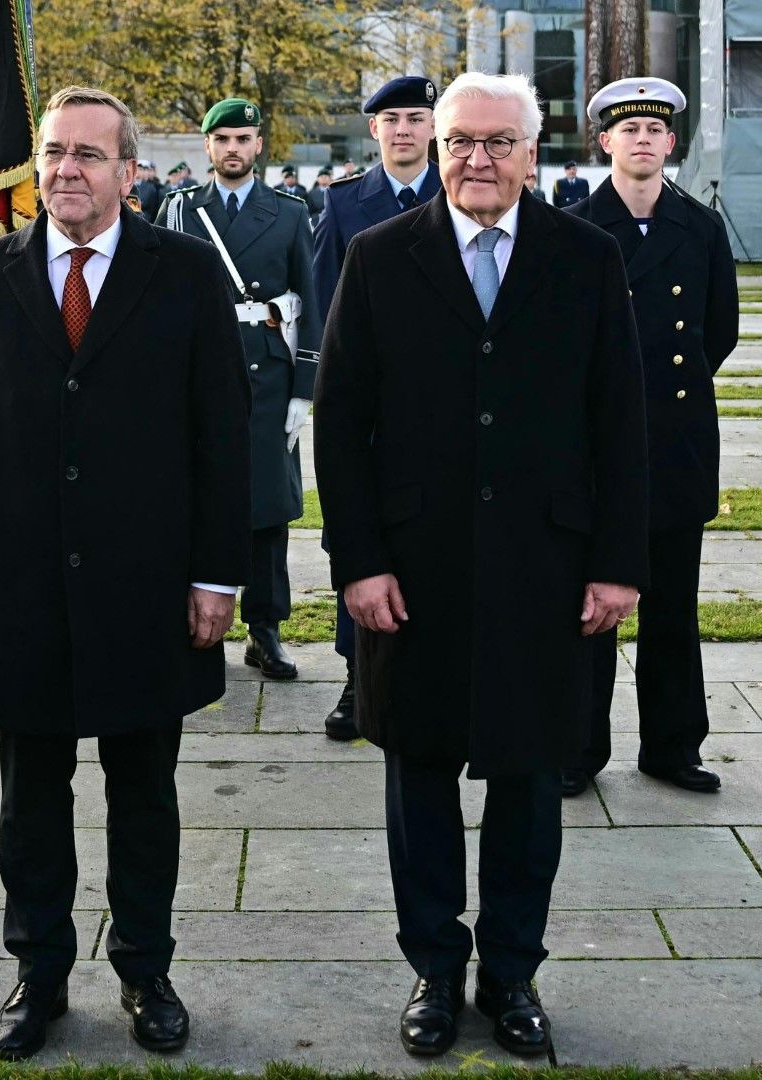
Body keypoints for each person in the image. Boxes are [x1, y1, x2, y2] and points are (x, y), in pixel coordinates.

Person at [314, 71, 646, 1059]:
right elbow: (341, 424)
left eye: (499, 143)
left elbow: (621, 421)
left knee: (527, 780)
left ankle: (511, 973)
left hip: (545, 571)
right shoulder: (380, 258)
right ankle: (432, 971)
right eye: (461, 141)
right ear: (437, 147)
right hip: (412, 574)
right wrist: (358, 562)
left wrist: (618, 564)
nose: (477, 160)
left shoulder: (585, 259)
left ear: (533, 153)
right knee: (417, 778)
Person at [0, 85, 250, 1061]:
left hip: (147, 584)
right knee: (31, 797)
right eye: (54, 154)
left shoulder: (188, 274)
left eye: (88, 156)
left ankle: (146, 972)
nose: (66, 171)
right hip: (23, 581)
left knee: (143, 794)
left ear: (128, 171)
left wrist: (217, 576)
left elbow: (220, 437)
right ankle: (39, 973)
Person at [564, 77, 738, 797]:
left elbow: (716, 332)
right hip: (595, 449)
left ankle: (671, 745)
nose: (642, 140)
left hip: (676, 444)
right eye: (627, 129)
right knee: (590, 606)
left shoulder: (700, 228)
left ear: (672, 143)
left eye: (655, 130)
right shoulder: (570, 228)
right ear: (604, 141)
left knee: (673, 604)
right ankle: (577, 749)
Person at [162, 97, 321, 681]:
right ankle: (195, 619)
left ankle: (265, 627)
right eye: (222, 138)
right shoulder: (179, 211)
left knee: (267, 510)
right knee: (194, 498)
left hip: (266, 378)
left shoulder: (287, 212)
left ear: (259, 146)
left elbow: (310, 299)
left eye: (244, 138)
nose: (233, 148)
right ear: (208, 146)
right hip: (196, 372)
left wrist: (304, 386)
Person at [310, 74, 442, 739]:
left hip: (444, 399)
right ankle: (356, 681)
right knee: (356, 531)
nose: (404, 131)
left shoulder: (461, 193)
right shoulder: (342, 206)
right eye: (392, 120)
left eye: (417, 119)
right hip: (371, 399)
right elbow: (324, 305)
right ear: (374, 131)